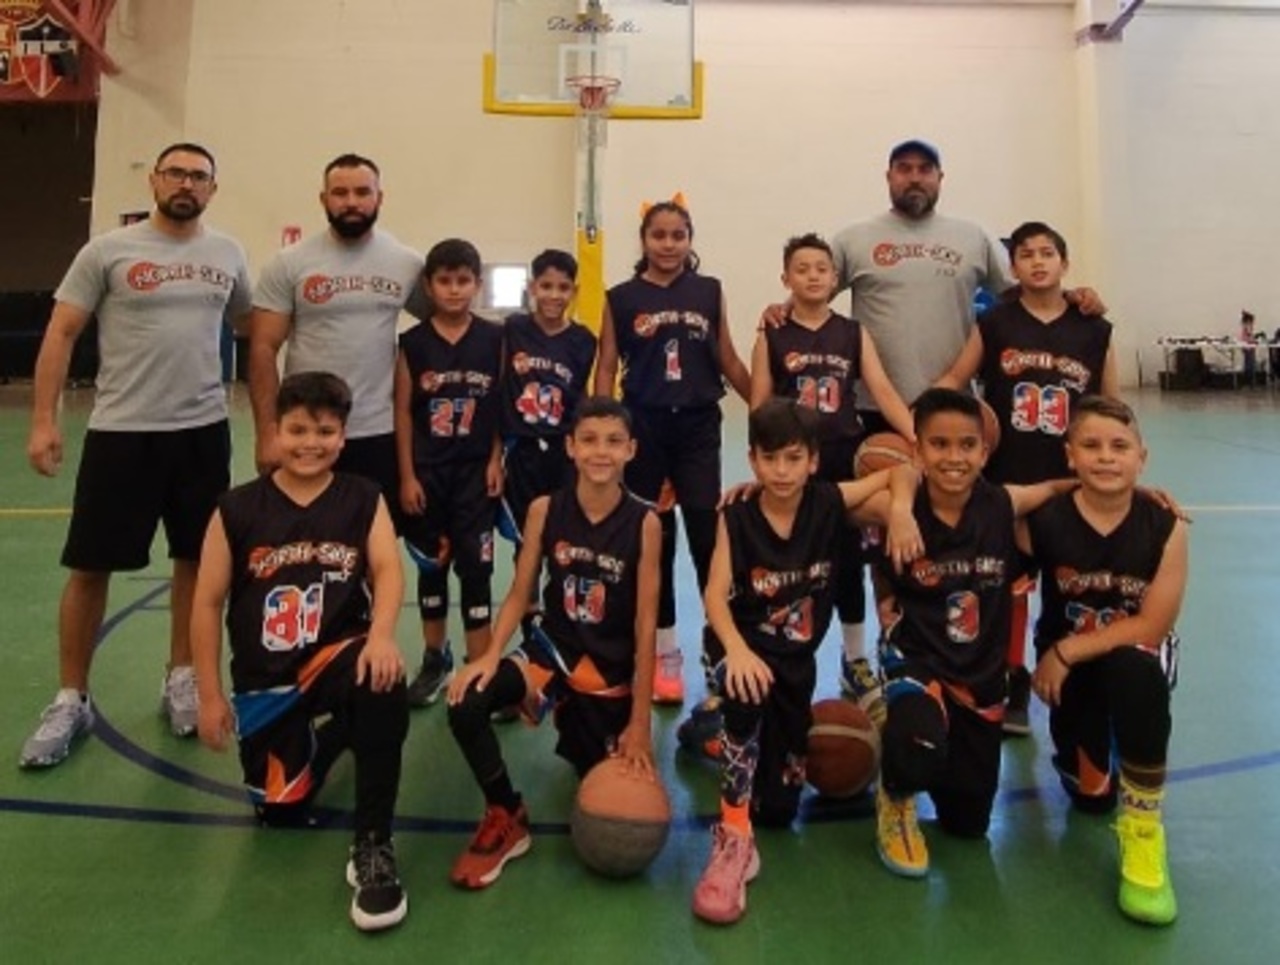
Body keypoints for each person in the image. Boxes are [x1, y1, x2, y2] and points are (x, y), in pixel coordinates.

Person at [20, 142, 252, 768]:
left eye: (199, 176)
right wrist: (43, 421)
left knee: (194, 561)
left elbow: (255, 329)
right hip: (121, 433)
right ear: (154, 180)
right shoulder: (107, 251)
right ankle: (71, 697)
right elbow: (62, 331)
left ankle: (182, 676)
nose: (186, 184)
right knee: (89, 566)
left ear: (212, 189)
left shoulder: (228, 254)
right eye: (175, 173)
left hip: (202, 432)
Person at [191, 371, 410, 932]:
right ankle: (332, 735)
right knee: (280, 813)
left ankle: (373, 844)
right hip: (268, 680)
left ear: (343, 435)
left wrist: (382, 635)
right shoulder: (237, 508)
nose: (311, 443)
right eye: (298, 430)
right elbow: (207, 603)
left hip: (336, 655)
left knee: (381, 680)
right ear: (274, 432)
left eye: (325, 431)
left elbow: (388, 569)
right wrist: (209, 695)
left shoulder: (362, 497)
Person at [691, 399, 920, 924]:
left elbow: (902, 471)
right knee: (746, 693)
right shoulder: (736, 516)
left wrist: (901, 510)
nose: (781, 471)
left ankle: (708, 730)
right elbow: (714, 595)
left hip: (795, 663)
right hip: (739, 649)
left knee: (778, 809)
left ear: (813, 460)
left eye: (793, 458)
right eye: (770, 459)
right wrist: (737, 651)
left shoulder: (827, 501)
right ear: (752, 459)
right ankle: (733, 835)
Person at [444, 396, 661, 889]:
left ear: (631, 450)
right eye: (589, 440)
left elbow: (645, 625)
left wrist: (640, 724)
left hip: (606, 672)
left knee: (600, 782)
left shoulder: (645, 523)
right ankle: (506, 812)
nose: (600, 452)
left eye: (613, 441)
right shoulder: (544, 510)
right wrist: (489, 657)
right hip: (551, 653)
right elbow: (520, 592)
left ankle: (582, 725)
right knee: (467, 702)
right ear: (570, 447)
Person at [872, 388, 1075, 879]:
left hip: (979, 680)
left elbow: (1055, 488)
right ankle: (896, 795)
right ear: (918, 451)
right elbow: (825, 498)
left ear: (985, 452)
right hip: (918, 661)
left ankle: (929, 748)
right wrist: (898, 505)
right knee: (917, 748)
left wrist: (1137, 493)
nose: (954, 457)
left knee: (968, 823)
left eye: (966, 445)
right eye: (939, 444)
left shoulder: (1002, 504)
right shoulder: (895, 509)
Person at [936, 221, 1119, 735]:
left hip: (1070, 482)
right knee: (1006, 587)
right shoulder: (996, 322)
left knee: (1067, 585)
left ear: (1064, 262)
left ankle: (1069, 672)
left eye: (1047, 253)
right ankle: (1011, 681)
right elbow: (955, 377)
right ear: (1012, 267)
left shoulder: (1095, 328)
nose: (1037, 261)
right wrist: (924, 421)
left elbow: (1112, 407)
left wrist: (1117, 466)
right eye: (1026, 254)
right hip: (1007, 480)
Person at [1023, 396, 1187, 925]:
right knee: (1091, 799)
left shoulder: (1166, 526)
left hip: (1127, 658)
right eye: (1090, 446)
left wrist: (1064, 650)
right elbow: (988, 507)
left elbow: (1151, 626)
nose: (1106, 457)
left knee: (1134, 667)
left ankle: (1143, 830)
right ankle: (1098, 748)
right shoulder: (1046, 520)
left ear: (1142, 457)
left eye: (1120, 446)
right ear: (1069, 455)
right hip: (1072, 674)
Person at [593, 199, 751, 707]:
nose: (668, 244)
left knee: (707, 535)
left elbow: (728, 359)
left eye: (678, 235)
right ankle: (665, 653)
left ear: (690, 239)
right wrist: (602, 428)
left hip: (699, 426)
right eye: (658, 235)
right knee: (654, 540)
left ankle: (716, 644)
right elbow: (607, 365)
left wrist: (769, 413)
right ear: (643, 240)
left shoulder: (709, 291)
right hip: (645, 429)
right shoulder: (621, 297)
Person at [749, 232, 914, 714]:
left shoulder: (853, 333)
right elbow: (760, 404)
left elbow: (881, 389)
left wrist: (915, 438)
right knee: (789, 563)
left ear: (835, 277)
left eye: (821, 268)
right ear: (786, 278)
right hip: (792, 463)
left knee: (845, 561)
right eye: (802, 269)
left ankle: (856, 658)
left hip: (842, 455)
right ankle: (775, 652)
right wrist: (760, 463)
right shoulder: (772, 335)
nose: (813, 276)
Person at [249, 153, 425, 524]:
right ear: (323, 199)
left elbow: (447, 325)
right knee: (304, 538)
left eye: (362, 192)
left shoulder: (406, 263)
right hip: (307, 432)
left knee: (374, 538)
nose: (351, 202)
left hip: (378, 430)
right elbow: (263, 348)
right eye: (340, 193)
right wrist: (268, 431)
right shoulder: (289, 263)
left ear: (380, 197)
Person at [395, 238, 504, 706]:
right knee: (432, 565)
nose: (454, 290)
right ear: (428, 285)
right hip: (429, 471)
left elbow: (500, 406)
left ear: (477, 284)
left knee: (477, 570)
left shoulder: (495, 339)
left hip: (475, 473)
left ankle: (479, 667)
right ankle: (435, 658)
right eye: (445, 281)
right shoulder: (412, 343)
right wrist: (406, 476)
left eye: (463, 281)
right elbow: (402, 412)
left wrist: (496, 458)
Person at [497, 248, 598, 559]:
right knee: (525, 536)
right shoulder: (513, 329)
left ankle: (558, 589)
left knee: (563, 531)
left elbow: (580, 394)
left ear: (574, 291)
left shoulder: (583, 340)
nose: (554, 295)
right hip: (521, 447)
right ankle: (526, 590)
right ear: (532, 287)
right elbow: (498, 386)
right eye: (546, 286)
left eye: (563, 287)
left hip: (561, 448)